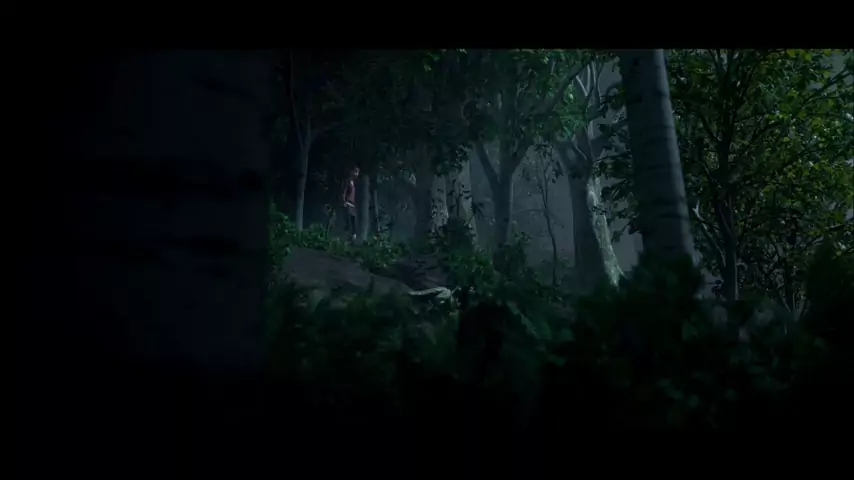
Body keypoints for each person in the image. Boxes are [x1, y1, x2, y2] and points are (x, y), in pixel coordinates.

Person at [341, 166, 359, 241]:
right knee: (348, 222)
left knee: (354, 223)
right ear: (351, 172)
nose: (356, 174)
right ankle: (344, 238)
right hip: (348, 203)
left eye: (357, 172)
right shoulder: (347, 181)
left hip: (352, 205)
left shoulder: (353, 183)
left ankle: (353, 237)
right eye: (355, 171)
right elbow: (344, 192)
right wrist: (344, 202)